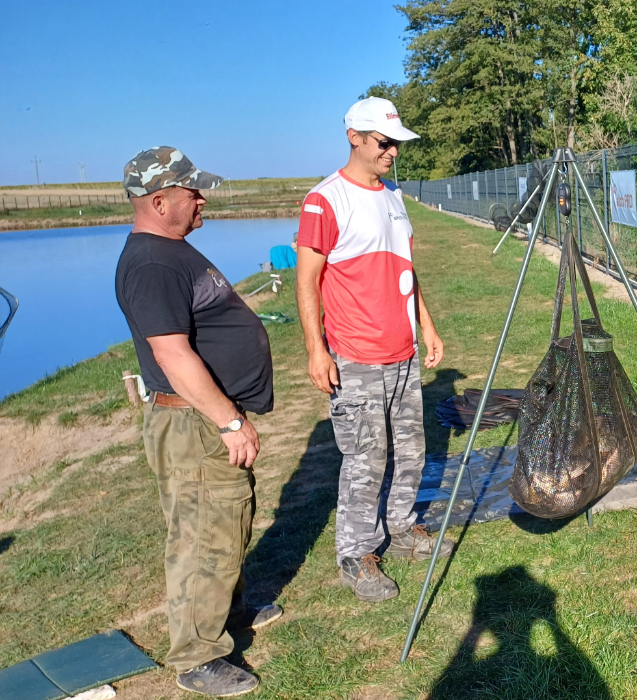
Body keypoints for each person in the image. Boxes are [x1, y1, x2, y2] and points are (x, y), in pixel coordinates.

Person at [114, 147, 282, 697]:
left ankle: (225, 616)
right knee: (200, 536)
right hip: (194, 424)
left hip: (203, 421)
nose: (202, 197)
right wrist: (230, 422)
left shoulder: (173, 249)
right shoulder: (154, 263)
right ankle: (197, 656)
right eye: (192, 191)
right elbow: (172, 354)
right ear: (159, 201)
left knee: (226, 523)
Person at [296, 97, 448, 603]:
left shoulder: (394, 195)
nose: (392, 152)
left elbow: (407, 270)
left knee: (411, 450)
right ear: (354, 138)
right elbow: (307, 281)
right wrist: (317, 351)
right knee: (365, 457)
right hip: (356, 357)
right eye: (384, 142)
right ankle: (356, 554)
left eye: (397, 143)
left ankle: (403, 529)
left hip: (402, 353)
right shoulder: (324, 201)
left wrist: (426, 325)